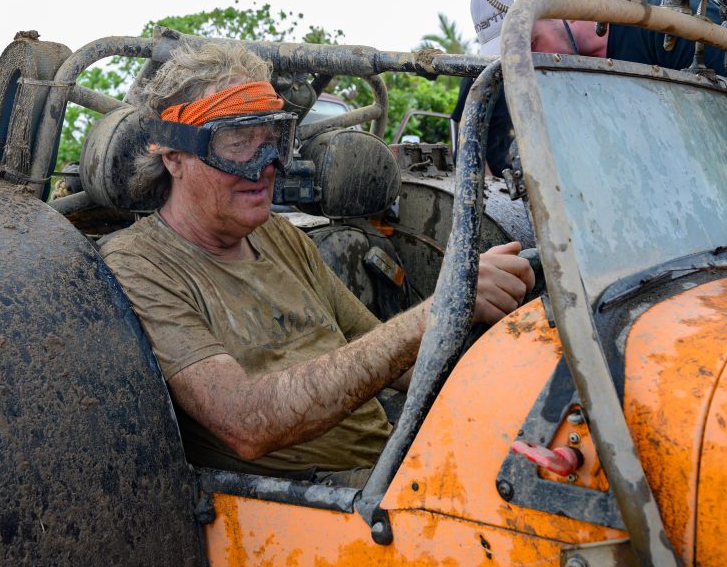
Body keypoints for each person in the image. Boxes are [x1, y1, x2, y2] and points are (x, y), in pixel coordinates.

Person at [100, 41, 535, 487]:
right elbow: (247, 424)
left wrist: (509, 346)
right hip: (309, 505)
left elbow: (397, 360)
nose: (266, 166)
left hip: (391, 467)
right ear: (173, 155)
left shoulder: (279, 236)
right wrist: (438, 310)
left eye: (274, 141)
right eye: (237, 143)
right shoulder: (138, 264)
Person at [454, 0, 727, 176]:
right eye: (511, 52)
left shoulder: (669, 25)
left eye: (530, 42)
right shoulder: (537, 75)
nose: (526, 61)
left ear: (561, 6)